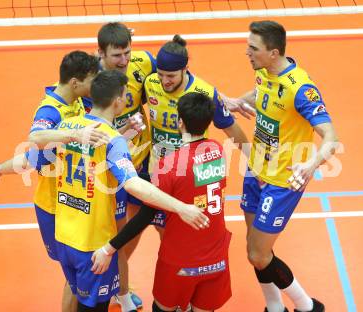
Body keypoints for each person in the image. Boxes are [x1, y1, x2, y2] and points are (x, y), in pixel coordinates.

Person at [54, 70, 209, 312]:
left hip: (64, 234)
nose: (127, 99)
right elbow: (132, 183)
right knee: (93, 307)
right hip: (93, 241)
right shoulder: (112, 139)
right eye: (125, 95)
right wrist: (180, 207)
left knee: (75, 293)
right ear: (117, 101)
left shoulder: (67, 126)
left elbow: (32, 158)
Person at [0, 51, 105, 312]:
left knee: (76, 276)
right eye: (91, 81)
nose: (95, 86)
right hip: (54, 205)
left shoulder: (75, 99)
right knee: (73, 278)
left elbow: (29, 160)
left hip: (73, 198)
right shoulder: (49, 110)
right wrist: (75, 134)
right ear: (75, 82)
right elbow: (37, 136)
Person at [98, 92, 232, 312]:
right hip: (216, 256)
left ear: (180, 122)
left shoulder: (169, 164)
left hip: (180, 260)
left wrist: (110, 247)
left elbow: (145, 216)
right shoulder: (217, 150)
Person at [238, 20, 339, 312]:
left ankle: (307, 306)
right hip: (256, 169)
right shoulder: (264, 72)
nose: (247, 52)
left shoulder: (301, 89)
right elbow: (260, 95)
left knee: (258, 254)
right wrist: (235, 102)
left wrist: (311, 164)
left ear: (274, 52)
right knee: (256, 251)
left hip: (283, 180)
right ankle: (274, 306)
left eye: (253, 48)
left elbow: (331, 137)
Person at [143, 34, 249, 229]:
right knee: (163, 229)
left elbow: (231, 128)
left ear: (185, 69)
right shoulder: (150, 83)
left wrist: (254, 160)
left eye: (171, 76)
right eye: (161, 75)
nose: (164, 81)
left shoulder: (205, 93)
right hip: (160, 170)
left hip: (191, 173)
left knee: (192, 227)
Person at [96, 22, 156, 310]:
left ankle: (118, 284)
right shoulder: (90, 82)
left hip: (141, 159)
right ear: (101, 53)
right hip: (107, 171)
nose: (124, 61)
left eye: (127, 53)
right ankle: (115, 287)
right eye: (117, 55)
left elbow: (171, 83)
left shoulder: (142, 64)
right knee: (112, 233)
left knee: (136, 226)